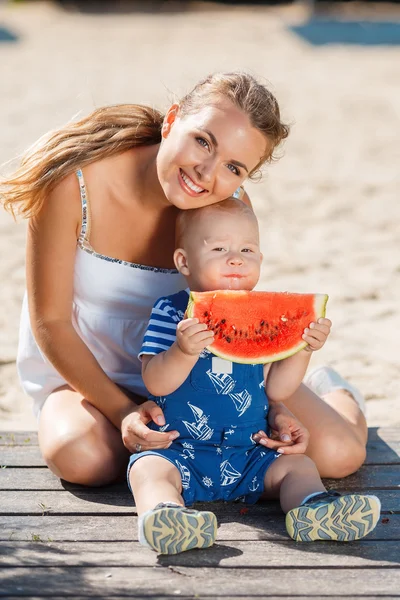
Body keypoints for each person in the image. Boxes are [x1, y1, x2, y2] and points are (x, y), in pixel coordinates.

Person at [0, 72, 367, 487]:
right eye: (203, 141)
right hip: (86, 374)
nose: (206, 173)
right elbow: (49, 322)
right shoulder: (73, 184)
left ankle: (334, 389)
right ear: (172, 119)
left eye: (233, 167)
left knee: (340, 454)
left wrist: (272, 407)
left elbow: (234, 312)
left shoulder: (229, 207)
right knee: (84, 458)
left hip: (199, 378)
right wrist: (123, 411)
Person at [129, 197, 380, 554]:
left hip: (252, 453)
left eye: (248, 249)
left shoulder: (262, 318)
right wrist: (182, 352)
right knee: (148, 471)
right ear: (183, 261)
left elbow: (278, 387)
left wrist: (303, 348)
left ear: (260, 259)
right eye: (219, 248)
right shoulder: (170, 312)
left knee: (299, 466)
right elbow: (155, 382)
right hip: (178, 450)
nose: (236, 258)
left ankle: (314, 508)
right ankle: (165, 515)